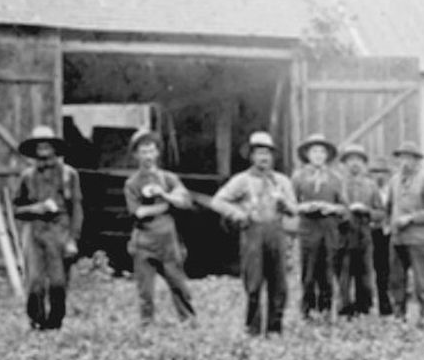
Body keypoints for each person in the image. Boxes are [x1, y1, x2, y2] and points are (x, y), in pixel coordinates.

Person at [215, 130, 297, 335]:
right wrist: (237, 214)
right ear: (251, 156)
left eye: (267, 153)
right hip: (253, 233)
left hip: (277, 233)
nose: (264, 158)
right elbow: (218, 201)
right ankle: (252, 330)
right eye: (259, 153)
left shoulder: (282, 181)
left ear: (272, 157)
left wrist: (283, 203)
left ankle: (275, 329)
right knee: (253, 284)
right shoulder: (242, 180)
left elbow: (294, 210)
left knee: (279, 285)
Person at [13, 125, 84, 331]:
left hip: (59, 232)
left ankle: (54, 324)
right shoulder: (26, 176)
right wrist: (37, 208)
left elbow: (77, 209)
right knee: (35, 284)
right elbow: (17, 209)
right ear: (34, 150)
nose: (43, 149)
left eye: (47, 145)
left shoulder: (69, 175)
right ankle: (36, 322)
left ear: (54, 148)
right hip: (34, 233)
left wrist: (73, 239)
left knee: (58, 284)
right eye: (38, 145)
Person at [123, 130, 195, 325]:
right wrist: (162, 207)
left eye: (151, 151)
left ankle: (189, 322)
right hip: (143, 242)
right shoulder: (132, 183)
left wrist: (165, 195)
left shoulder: (168, 179)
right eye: (143, 152)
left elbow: (185, 201)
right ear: (136, 155)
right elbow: (137, 212)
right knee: (144, 291)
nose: (147, 156)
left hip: (168, 242)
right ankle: (147, 327)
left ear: (157, 154)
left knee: (179, 285)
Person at [292, 133, 346, 323]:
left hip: (329, 229)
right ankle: (307, 311)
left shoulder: (336, 178)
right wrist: (303, 207)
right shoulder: (298, 177)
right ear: (307, 154)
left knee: (327, 271)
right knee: (308, 272)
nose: (318, 155)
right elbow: (289, 205)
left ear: (327, 155)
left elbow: (344, 208)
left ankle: (324, 311)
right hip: (307, 228)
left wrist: (331, 208)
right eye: (314, 151)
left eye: (322, 151)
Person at [385, 142, 424, 319]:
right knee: (397, 280)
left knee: (421, 281)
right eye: (402, 158)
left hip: (418, 239)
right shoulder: (394, 180)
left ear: (418, 161)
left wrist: (411, 218)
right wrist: (389, 224)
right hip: (397, 239)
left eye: (410, 158)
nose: (405, 162)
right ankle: (398, 316)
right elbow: (389, 206)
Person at [335, 144, 382, 317]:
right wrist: (345, 213)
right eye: (350, 160)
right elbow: (331, 209)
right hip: (342, 235)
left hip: (364, 235)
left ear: (364, 164)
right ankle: (344, 311)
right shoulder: (337, 185)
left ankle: (364, 310)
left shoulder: (371, 186)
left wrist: (367, 211)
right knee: (343, 276)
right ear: (344, 164)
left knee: (365, 276)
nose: (354, 164)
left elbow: (381, 213)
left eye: (358, 160)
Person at [368, 158, 395, 316]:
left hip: (391, 233)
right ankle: (377, 306)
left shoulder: (393, 190)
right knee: (376, 271)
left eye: (383, 172)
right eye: (375, 172)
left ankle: (390, 306)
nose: (380, 176)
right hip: (373, 233)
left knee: (390, 272)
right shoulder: (368, 190)